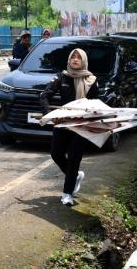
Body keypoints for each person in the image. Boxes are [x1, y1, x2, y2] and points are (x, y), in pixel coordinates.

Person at [40, 49, 99, 207]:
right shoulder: (62, 77)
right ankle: (75, 176)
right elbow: (45, 95)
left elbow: (96, 104)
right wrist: (49, 115)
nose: (75, 59)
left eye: (79, 57)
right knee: (56, 153)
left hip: (81, 124)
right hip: (63, 121)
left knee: (74, 158)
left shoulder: (91, 80)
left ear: (84, 60)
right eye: (73, 56)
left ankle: (67, 193)